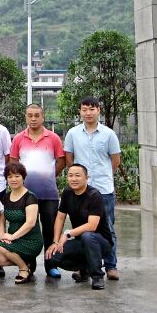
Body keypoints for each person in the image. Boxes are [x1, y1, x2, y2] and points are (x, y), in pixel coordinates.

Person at [63, 96, 122, 282]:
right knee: (82, 230)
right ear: (80, 112)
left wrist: (103, 175)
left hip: (103, 189)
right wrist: (79, 180)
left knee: (108, 228)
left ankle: (111, 265)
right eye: (84, 109)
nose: (88, 113)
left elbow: (115, 161)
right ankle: (85, 267)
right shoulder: (73, 133)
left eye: (92, 109)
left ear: (98, 110)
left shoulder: (109, 134)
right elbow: (69, 160)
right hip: (81, 191)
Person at [10, 102, 67, 279]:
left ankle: (51, 265)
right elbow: (13, 163)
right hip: (26, 196)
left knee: (50, 230)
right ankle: (29, 265)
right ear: (26, 117)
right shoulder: (18, 139)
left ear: (43, 117)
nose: (33, 119)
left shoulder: (54, 138)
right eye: (30, 115)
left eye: (37, 115)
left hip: (49, 194)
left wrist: (48, 175)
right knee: (28, 231)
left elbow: (61, 161)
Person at [46, 163, 114, 290]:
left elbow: (92, 226)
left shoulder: (94, 195)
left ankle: (97, 276)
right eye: (70, 175)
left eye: (78, 175)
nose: (74, 179)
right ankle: (84, 269)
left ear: (86, 178)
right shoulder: (67, 192)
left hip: (100, 242)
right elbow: (60, 217)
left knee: (87, 236)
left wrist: (67, 234)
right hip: (80, 242)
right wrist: (55, 241)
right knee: (52, 258)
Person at [0, 161, 43, 283]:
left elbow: (30, 223)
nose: (13, 179)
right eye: (9, 176)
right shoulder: (6, 197)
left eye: (17, 176)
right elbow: (1, 219)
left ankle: (23, 269)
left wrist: (12, 237)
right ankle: (27, 262)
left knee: (2, 248)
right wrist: (2, 235)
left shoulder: (30, 197)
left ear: (23, 177)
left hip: (31, 240)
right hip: (12, 240)